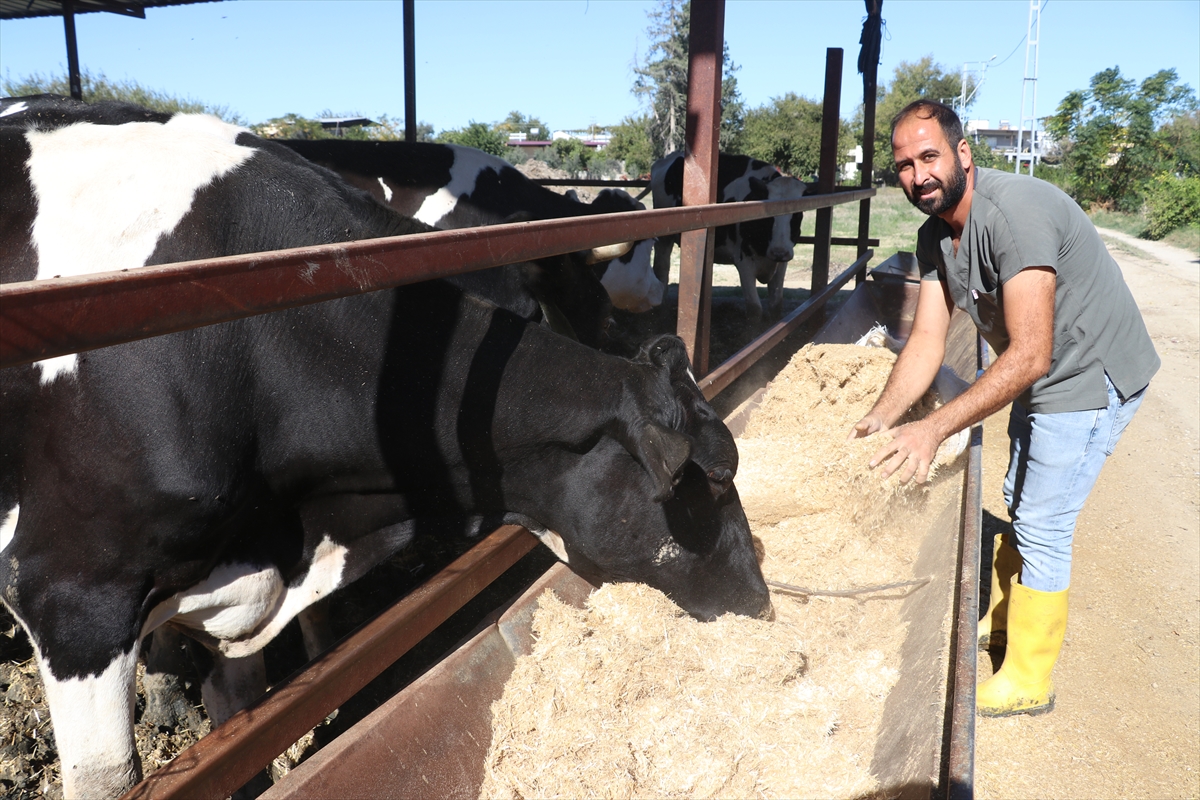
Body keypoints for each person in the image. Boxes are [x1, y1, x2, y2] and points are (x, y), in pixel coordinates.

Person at [848, 100, 1159, 717]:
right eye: (905, 165)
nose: (919, 175)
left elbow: (1031, 356)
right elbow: (929, 341)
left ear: (963, 154)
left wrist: (933, 428)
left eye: (930, 156)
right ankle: (1009, 614)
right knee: (1019, 495)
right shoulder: (935, 235)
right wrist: (881, 419)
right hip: (1040, 371)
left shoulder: (1013, 216)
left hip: (1088, 372)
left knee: (1044, 520)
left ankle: (1028, 679)